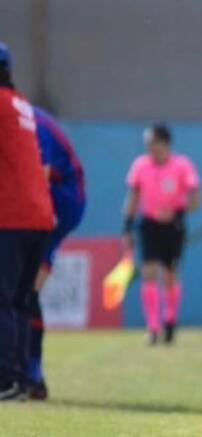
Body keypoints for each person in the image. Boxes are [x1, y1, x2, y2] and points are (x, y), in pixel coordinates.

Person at [0, 43, 55, 400]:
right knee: (18, 301)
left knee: (2, 301)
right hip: (37, 216)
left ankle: (5, 379)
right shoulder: (18, 102)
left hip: (11, 216)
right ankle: (20, 379)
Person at [26, 107, 87, 400]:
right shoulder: (23, 114)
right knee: (22, 290)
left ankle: (30, 374)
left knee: (22, 291)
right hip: (50, 202)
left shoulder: (26, 120)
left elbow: (41, 172)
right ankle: (30, 375)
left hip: (57, 202)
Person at [122, 124, 201, 345]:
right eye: (148, 144)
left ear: (165, 143)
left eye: (154, 143)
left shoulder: (182, 166)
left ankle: (170, 321)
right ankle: (153, 327)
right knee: (148, 271)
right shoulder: (140, 166)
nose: (150, 148)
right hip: (149, 225)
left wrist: (176, 211)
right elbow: (133, 197)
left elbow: (196, 198)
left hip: (174, 226)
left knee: (169, 275)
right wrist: (127, 227)